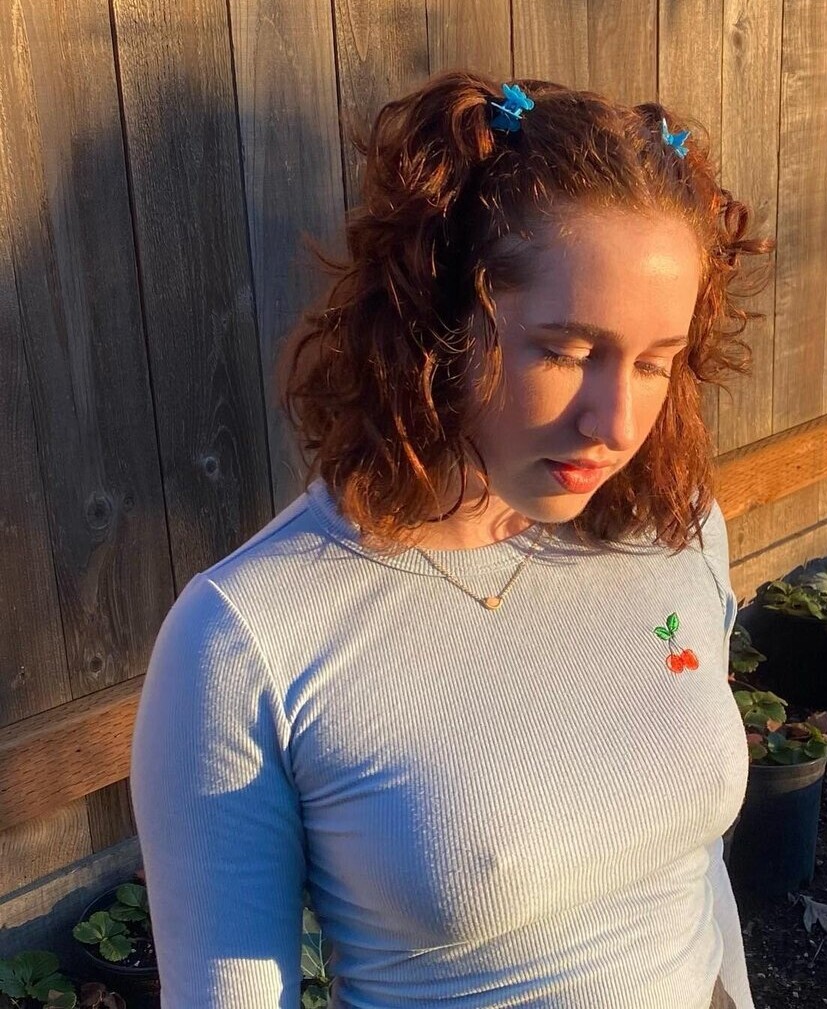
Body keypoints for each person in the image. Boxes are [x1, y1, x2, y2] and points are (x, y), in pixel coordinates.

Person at [130, 69, 771, 1009]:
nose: (616, 423)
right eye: (566, 352)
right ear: (437, 321)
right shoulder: (246, 640)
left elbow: (694, 871)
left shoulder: (676, 529)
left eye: (654, 362)